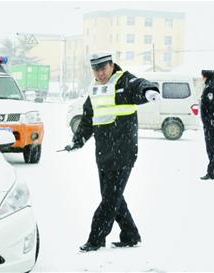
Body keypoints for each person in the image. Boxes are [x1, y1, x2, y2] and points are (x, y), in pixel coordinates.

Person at [64, 51, 161, 252]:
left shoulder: (124, 81)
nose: (99, 74)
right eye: (95, 70)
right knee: (113, 196)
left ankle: (95, 239)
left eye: (102, 69)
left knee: (109, 199)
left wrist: (149, 91)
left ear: (111, 65)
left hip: (123, 151)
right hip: (103, 152)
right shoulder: (94, 88)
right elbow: (88, 117)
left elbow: (140, 84)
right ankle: (130, 235)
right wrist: (78, 140)